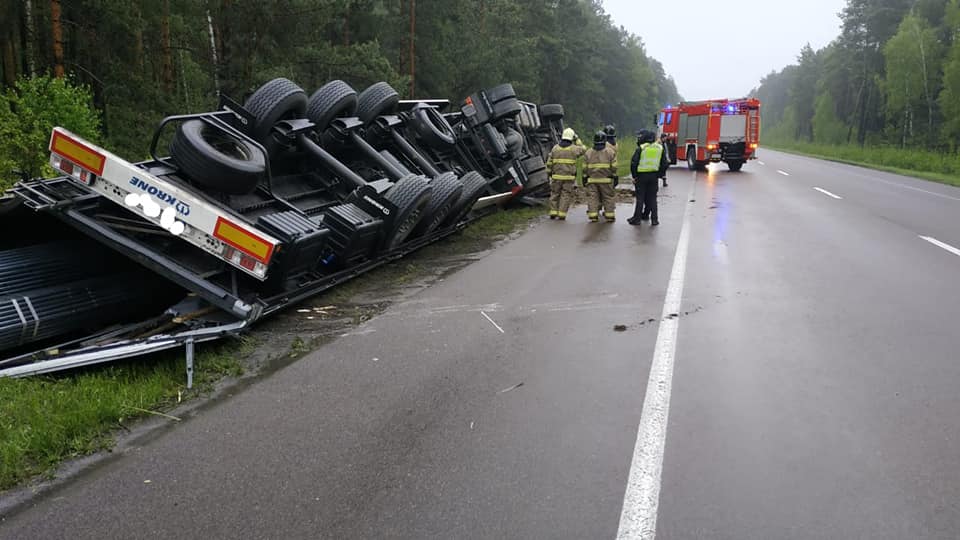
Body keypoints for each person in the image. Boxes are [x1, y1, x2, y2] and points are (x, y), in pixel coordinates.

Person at [629, 129, 669, 226]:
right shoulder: (659, 148)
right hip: (654, 176)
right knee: (653, 198)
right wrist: (659, 174)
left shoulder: (641, 148)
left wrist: (634, 176)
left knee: (640, 198)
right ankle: (654, 220)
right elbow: (665, 163)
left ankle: (637, 219)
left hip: (641, 176)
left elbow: (634, 163)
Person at [545, 128, 585, 220]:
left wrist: (549, 173)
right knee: (565, 195)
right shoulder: (574, 149)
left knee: (555, 194)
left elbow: (549, 163)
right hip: (568, 178)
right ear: (571, 137)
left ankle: (553, 212)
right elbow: (583, 149)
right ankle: (562, 214)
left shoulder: (555, 148)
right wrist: (577, 139)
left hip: (556, 177)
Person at [583, 130, 618, 222]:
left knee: (593, 197)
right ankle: (609, 216)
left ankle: (593, 215)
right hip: (606, 180)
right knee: (608, 197)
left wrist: (584, 177)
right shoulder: (610, 152)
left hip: (592, 180)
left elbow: (584, 168)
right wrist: (614, 176)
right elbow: (614, 167)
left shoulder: (588, 152)